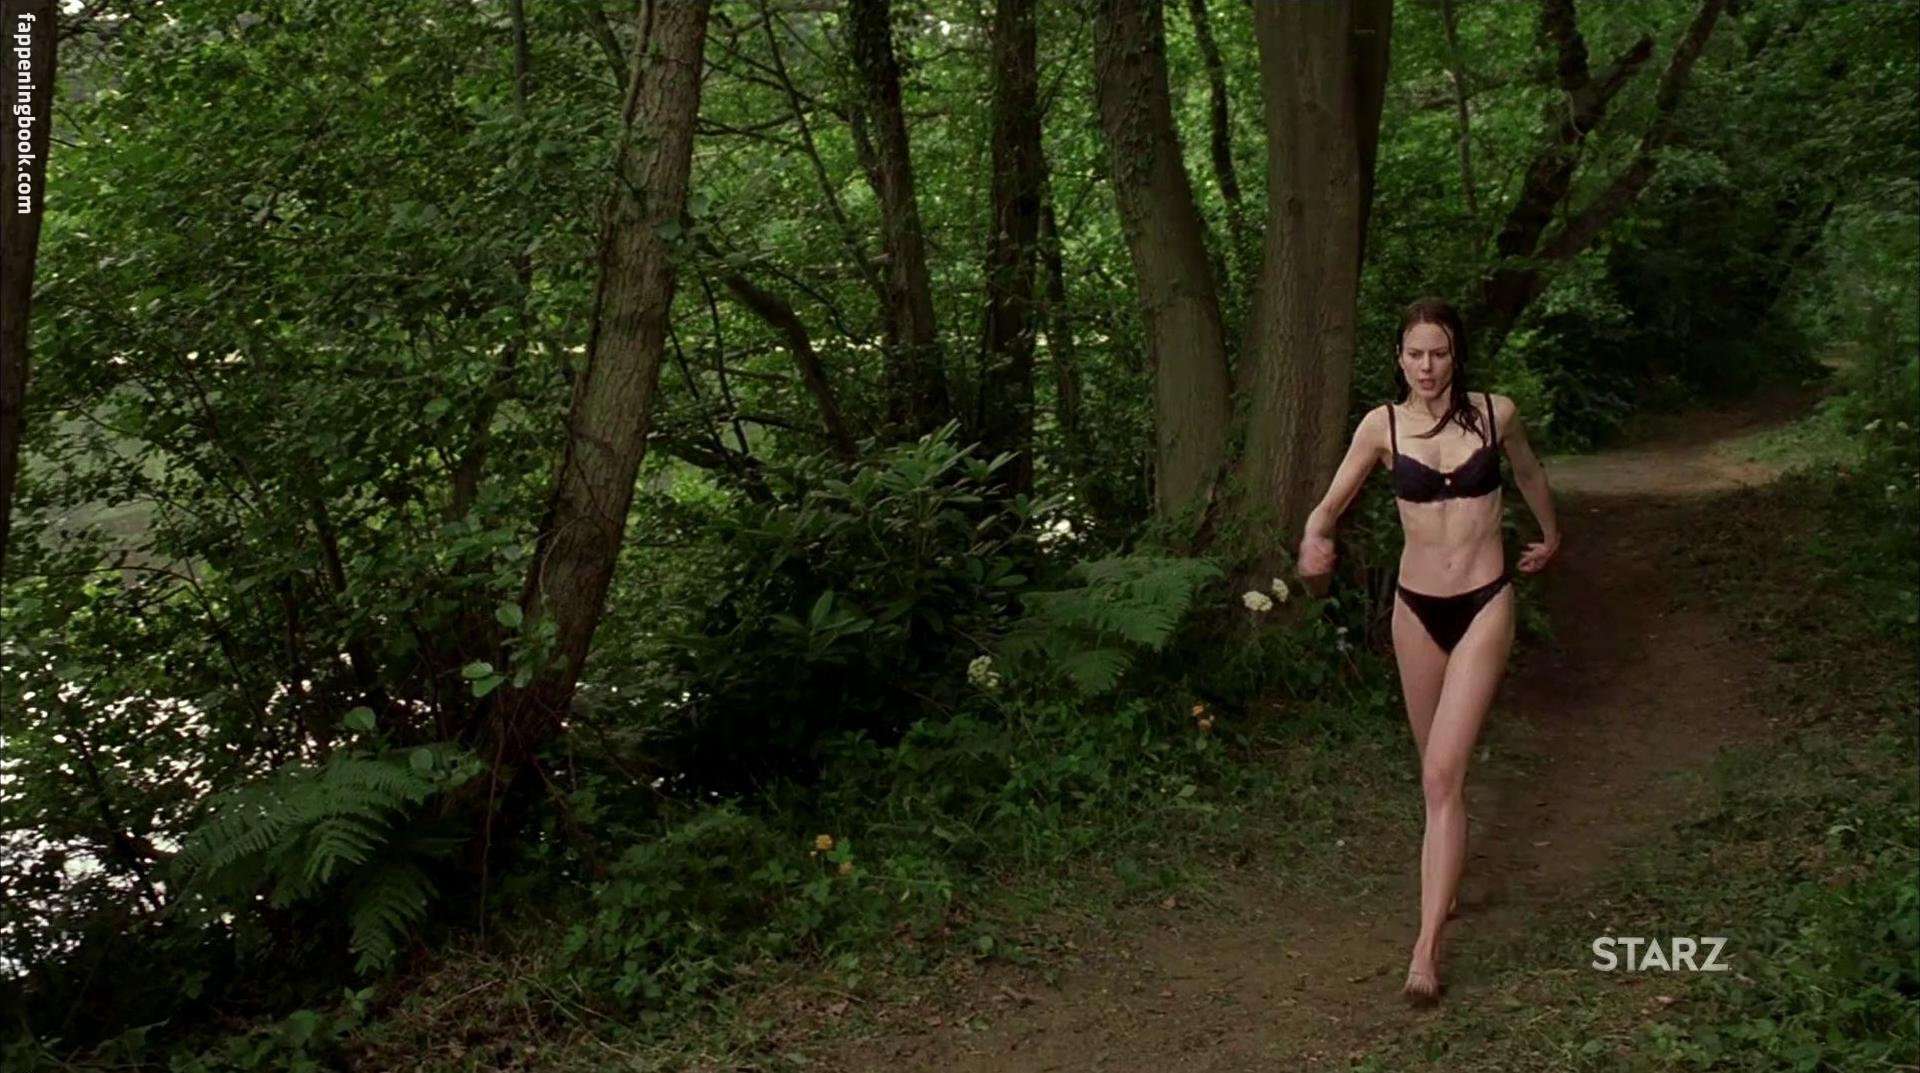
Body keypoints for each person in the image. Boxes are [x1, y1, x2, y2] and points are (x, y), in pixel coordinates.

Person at [1296, 296, 1561, 1005]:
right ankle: (1447, 881)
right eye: (1415, 354)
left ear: (1456, 355)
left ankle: (1426, 947)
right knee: (1436, 778)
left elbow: (1530, 473)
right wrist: (1314, 539)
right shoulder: (1380, 426)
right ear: (1399, 358)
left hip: (1484, 603)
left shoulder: (1496, 414)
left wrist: (1551, 533)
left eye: (1438, 353)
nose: (1426, 366)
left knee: (1444, 773)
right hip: (1415, 612)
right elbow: (1329, 505)